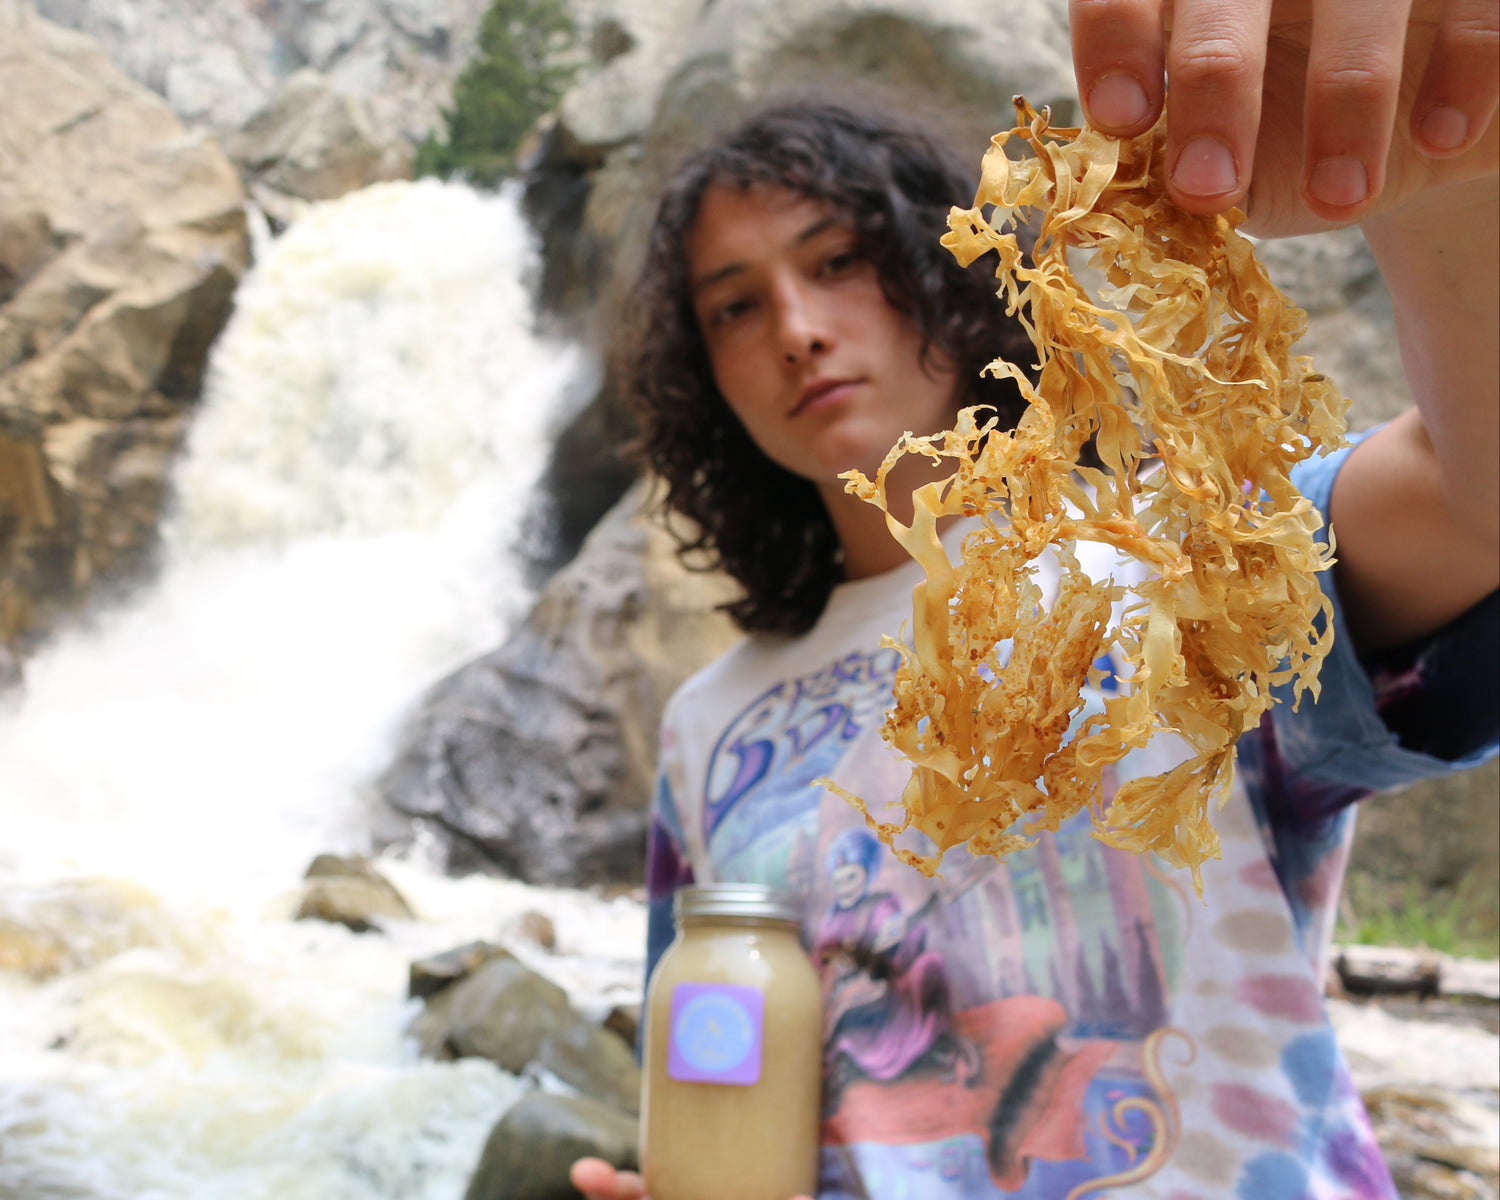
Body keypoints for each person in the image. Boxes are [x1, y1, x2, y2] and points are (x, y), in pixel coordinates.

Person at [574, 1, 1499, 1195]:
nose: (797, 330)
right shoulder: (710, 722)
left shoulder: (1180, 554)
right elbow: (727, 1095)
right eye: (735, 305)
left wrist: (1450, 192)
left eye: (839, 259)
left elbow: (1471, 500)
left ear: (955, 273)